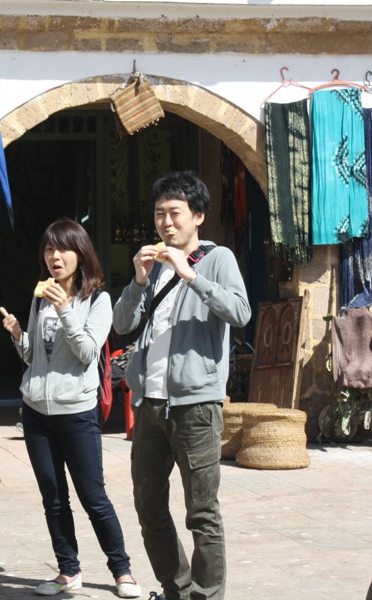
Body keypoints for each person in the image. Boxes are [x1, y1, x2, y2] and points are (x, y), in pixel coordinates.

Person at [112, 171, 251, 600]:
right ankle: (176, 588)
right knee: (148, 507)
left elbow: (240, 312)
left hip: (195, 406)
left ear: (198, 217)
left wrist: (189, 275)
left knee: (202, 512)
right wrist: (138, 280)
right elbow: (122, 325)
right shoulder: (152, 266)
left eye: (175, 213)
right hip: (150, 404)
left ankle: (207, 595)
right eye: (160, 214)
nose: (166, 223)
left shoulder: (218, 258)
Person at [0, 218, 141, 599]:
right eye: (48, 249)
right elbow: (33, 357)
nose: (54, 257)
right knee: (53, 496)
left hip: (77, 411)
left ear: (81, 254)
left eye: (62, 249)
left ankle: (122, 570)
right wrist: (17, 334)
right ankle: (68, 570)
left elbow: (86, 353)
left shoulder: (98, 300)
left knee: (93, 495)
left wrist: (64, 310)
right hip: (36, 411)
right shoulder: (39, 296)